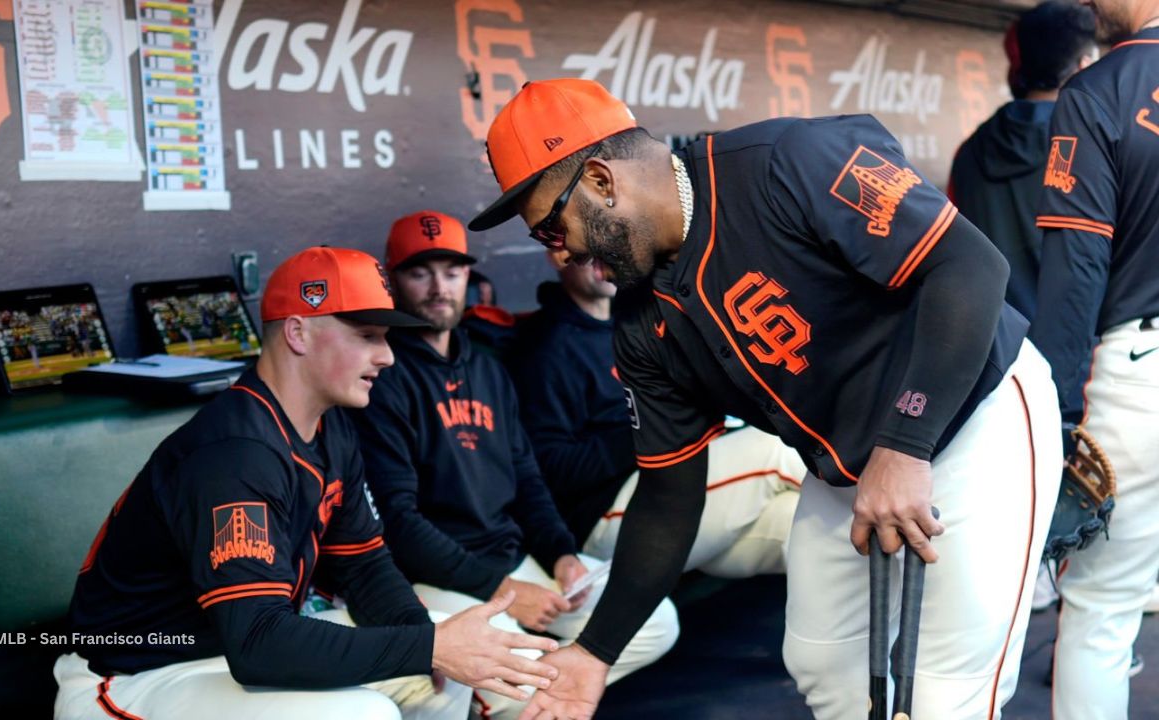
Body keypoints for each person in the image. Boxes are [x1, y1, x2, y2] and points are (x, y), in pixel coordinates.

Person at [467, 78, 1062, 720]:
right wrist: (594, 652)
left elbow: (970, 266)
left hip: (975, 409)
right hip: (850, 463)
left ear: (601, 181)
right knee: (823, 663)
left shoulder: (786, 161)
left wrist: (904, 445)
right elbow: (668, 498)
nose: (560, 252)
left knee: (946, 695)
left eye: (551, 227)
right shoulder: (639, 325)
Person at [56, 246, 561, 720]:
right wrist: (428, 646)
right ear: (299, 333)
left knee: (452, 669)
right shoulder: (233, 455)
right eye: (367, 335)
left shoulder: (331, 424)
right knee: (367, 711)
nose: (387, 355)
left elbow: (365, 566)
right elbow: (258, 644)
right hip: (137, 672)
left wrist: (429, 644)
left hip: (233, 646)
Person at [351, 210, 679, 720]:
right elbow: (398, 523)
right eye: (420, 272)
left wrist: (561, 555)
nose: (439, 287)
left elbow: (527, 479)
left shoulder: (486, 367)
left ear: (468, 277)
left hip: (513, 560)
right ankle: (522, 690)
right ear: (393, 281)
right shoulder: (382, 378)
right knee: (528, 686)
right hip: (440, 579)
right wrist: (502, 591)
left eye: (451, 270)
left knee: (656, 621)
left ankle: (531, 686)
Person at [509, 251, 805, 578]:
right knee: (778, 451)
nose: (598, 254)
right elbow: (549, 468)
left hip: (675, 489)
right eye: (583, 243)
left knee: (806, 530)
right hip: (606, 515)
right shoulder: (544, 348)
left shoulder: (635, 320)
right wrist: (655, 429)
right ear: (559, 256)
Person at [1026, 0, 1159, 716]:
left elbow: (1075, 274)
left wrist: (1056, 416)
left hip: (1139, 375)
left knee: (1102, 610)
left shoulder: (1100, 87)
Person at [949, 0, 1098, 321]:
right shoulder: (1092, 144)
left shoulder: (969, 151)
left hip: (996, 348)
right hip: (1078, 351)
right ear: (1085, 66)